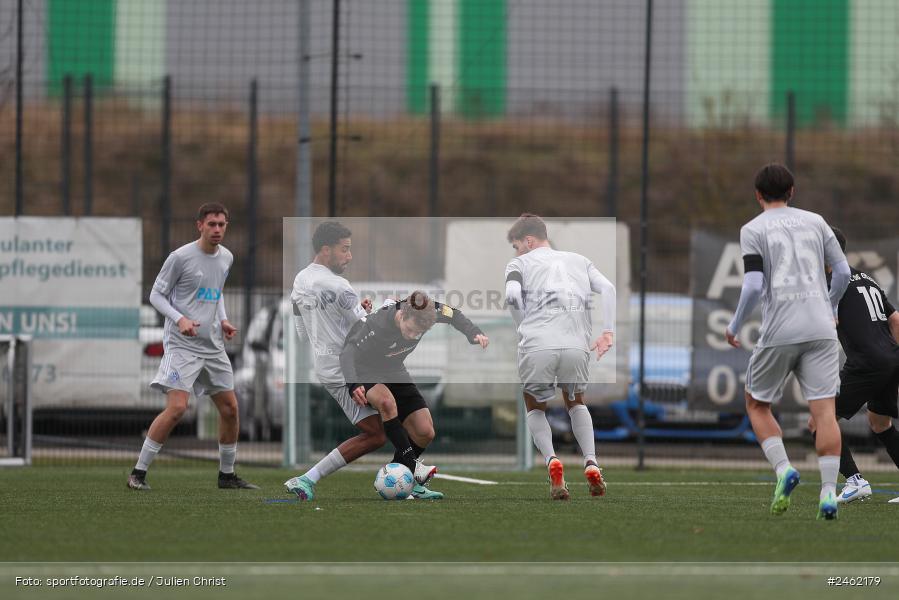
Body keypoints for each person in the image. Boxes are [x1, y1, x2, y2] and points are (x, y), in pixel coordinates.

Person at [282, 223, 442, 501]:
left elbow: (301, 332)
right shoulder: (339, 286)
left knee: (396, 432)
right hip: (349, 366)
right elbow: (364, 325)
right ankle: (412, 471)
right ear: (325, 250)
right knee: (378, 427)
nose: (349, 256)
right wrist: (383, 307)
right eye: (345, 250)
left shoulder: (299, 281)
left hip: (329, 364)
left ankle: (310, 479)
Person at [726, 164, 849, 519]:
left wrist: (734, 326)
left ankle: (784, 470)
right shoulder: (816, 221)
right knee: (825, 413)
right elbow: (841, 272)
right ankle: (828, 493)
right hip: (821, 328)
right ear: (792, 191)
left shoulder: (752, 228)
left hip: (781, 327)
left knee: (756, 404)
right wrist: (831, 307)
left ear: (758, 195)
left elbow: (751, 286)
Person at [128, 203, 258, 490]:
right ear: (199, 225)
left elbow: (217, 292)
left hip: (212, 347)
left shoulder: (226, 257)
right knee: (177, 409)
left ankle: (227, 475)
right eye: (211, 224)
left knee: (230, 410)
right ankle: (138, 473)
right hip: (182, 346)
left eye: (222, 225)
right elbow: (156, 295)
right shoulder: (180, 257)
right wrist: (180, 319)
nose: (217, 230)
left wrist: (223, 320)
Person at [504, 213, 616, 500]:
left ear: (528, 241)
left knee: (534, 406)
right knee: (576, 402)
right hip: (577, 345)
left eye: (516, 245)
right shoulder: (579, 260)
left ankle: (552, 460)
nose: (516, 251)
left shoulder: (519, 263)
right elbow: (608, 289)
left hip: (538, 344)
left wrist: (522, 326)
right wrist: (607, 332)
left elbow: (513, 295)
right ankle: (591, 461)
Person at [339, 291, 489, 491]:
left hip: (394, 370)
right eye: (410, 329)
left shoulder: (429, 311)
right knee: (387, 403)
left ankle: (397, 479)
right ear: (401, 315)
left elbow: (453, 314)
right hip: (364, 371)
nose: (412, 335)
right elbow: (347, 352)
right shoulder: (374, 323)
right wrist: (353, 384)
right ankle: (412, 466)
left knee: (425, 431)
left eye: (417, 333)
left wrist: (474, 332)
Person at [809, 228, 899, 505]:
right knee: (879, 422)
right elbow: (895, 320)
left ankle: (854, 481)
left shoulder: (829, 281)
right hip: (890, 357)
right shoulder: (866, 277)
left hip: (866, 362)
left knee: (818, 421)